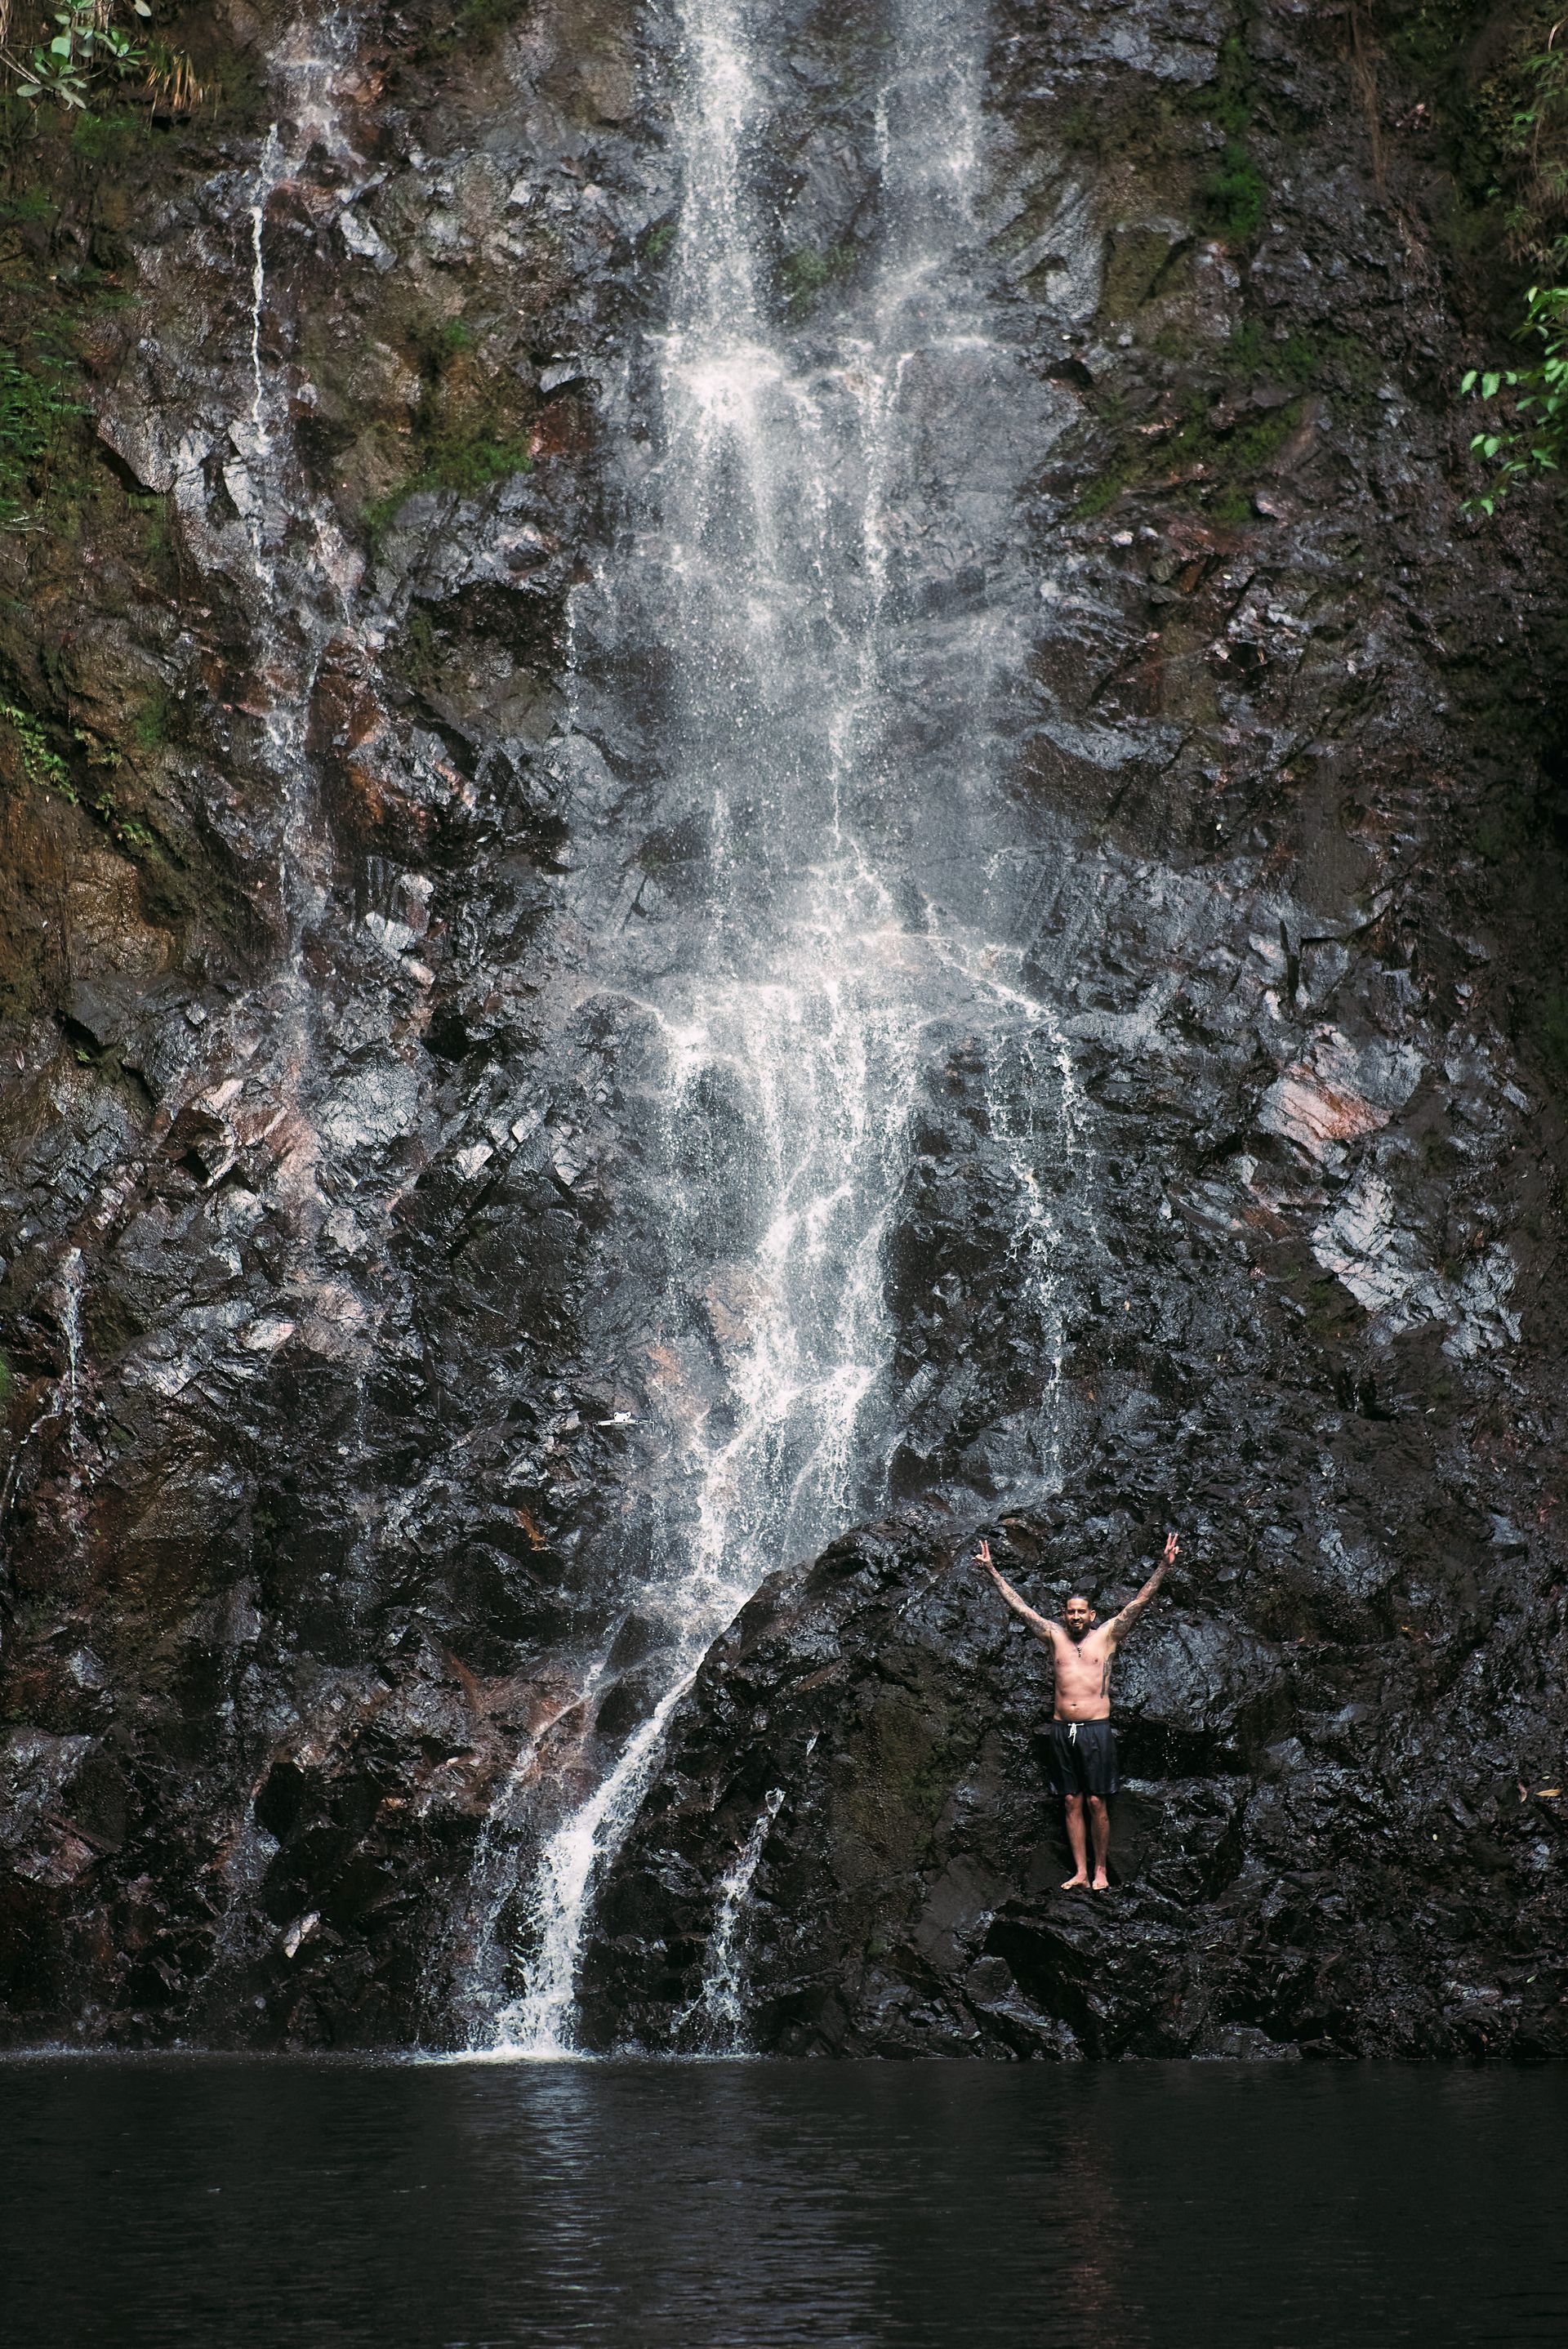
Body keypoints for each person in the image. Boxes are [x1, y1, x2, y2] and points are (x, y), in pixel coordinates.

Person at [974, 1531, 1179, 1892]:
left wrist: (1163, 1566)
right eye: (1070, 1612)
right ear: (1064, 1615)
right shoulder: (1053, 1635)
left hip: (1096, 1729)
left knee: (1098, 1800)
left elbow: (1139, 1602)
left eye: (1081, 1612)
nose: (1075, 1617)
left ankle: (1101, 1871)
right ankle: (1081, 1872)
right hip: (1061, 1731)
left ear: (1092, 1615)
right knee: (1071, 1800)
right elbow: (1020, 1608)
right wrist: (992, 1571)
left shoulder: (1109, 1635)